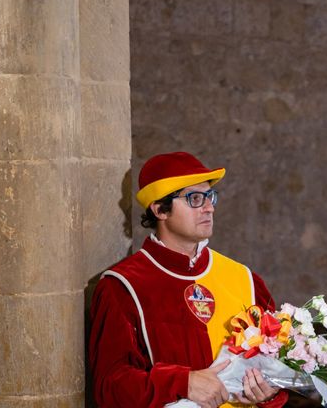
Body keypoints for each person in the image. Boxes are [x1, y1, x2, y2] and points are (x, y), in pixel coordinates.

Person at [89, 152, 288, 408]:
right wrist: (182, 383)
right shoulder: (122, 286)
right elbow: (110, 387)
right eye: (195, 198)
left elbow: (277, 376)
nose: (210, 207)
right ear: (160, 209)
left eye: (210, 196)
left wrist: (269, 396)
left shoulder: (246, 280)